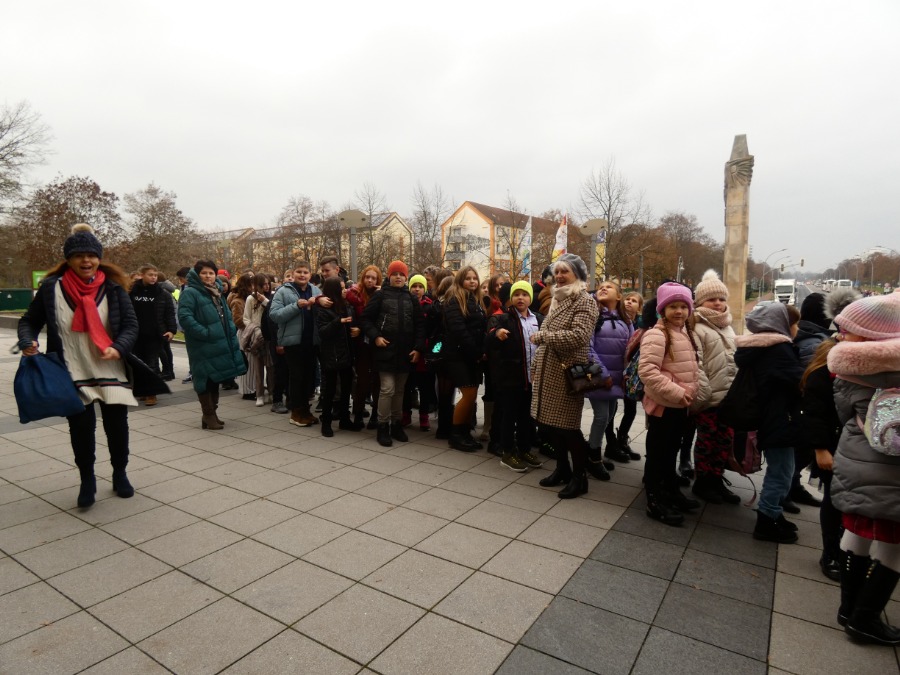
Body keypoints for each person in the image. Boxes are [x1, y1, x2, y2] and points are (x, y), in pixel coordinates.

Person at [18, 224, 167, 507]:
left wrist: (118, 347)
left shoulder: (112, 288)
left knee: (117, 426)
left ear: (99, 258)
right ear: (69, 259)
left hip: (110, 369)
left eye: (91, 255)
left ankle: (120, 473)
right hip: (72, 370)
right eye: (79, 256)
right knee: (81, 429)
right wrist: (28, 340)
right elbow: (29, 321)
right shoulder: (52, 288)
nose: (86, 261)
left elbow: (130, 325)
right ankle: (87, 479)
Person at [828, 290, 900, 646]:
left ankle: (849, 608)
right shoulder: (888, 371)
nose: (841, 336)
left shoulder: (847, 368)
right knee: (893, 545)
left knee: (857, 534)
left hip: (856, 462)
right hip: (889, 472)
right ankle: (864, 618)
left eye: (847, 330)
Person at [733, 303, 805, 542]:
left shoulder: (762, 348)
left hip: (771, 416)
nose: (797, 329)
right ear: (782, 325)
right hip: (779, 418)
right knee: (782, 471)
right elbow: (797, 383)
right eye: (794, 324)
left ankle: (773, 512)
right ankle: (767, 519)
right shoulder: (779, 350)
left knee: (784, 468)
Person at [531, 253, 600, 499]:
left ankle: (579, 479)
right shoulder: (557, 299)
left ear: (577, 275)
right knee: (552, 427)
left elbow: (579, 336)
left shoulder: (585, 300)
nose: (559, 276)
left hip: (568, 374)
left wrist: (542, 337)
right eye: (557, 272)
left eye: (565, 272)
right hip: (549, 372)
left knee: (569, 429)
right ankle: (562, 469)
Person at [639, 282, 700, 525]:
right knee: (657, 454)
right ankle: (654, 499)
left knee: (671, 451)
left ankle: (670, 490)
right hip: (664, 406)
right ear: (662, 309)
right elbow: (648, 371)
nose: (679, 311)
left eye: (684, 306)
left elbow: (692, 368)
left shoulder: (686, 332)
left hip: (679, 406)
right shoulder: (657, 334)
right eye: (673, 306)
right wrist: (677, 392)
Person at [688, 270, 739, 504]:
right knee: (707, 442)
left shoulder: (728, 326)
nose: (718, 303)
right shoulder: (696, 325)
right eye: (712, 299)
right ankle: (703, 482)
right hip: (709, 399)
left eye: (721, 299)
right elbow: (696, 363)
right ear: (699, 302)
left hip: (729, 399)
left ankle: (717, 480)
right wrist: (705, 394)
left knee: (724, 442)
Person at [361, 260, 425, 446]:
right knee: (387, 388)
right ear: (389, 276)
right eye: (395, 273)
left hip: (405, 352)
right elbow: (366, 319)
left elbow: (420, 325)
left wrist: (418, 348)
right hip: (385, 350)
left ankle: (396, 424)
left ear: (406, 277)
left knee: (399, 391)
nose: (398, 277)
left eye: (402, 274)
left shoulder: (411, 298)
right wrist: (375, 337)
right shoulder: (380, 296)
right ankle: (383, 425)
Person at [178, 260, 247, 430]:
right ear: (197, 274)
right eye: (204, 273)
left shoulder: (216, 291)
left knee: (216, 377)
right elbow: (185, 318)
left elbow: (226, 315)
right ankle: (208, 414)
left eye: (211, 273)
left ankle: (211, 414)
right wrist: (205, 333)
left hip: (218, 343)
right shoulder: (191, 292)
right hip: (202, 344)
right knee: (205, 379)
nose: (208, 276)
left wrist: (229, 330)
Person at [486, 281, 544, 472]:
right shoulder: (503, 319)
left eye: (525, 294)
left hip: (531, 378)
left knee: (527, 417)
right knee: (509, 416)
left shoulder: (539, 319)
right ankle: (507, 452)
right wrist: (497, 335)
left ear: (530, 298)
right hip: (510, 378)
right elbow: (487, 340)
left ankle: (524, 449)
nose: (521, 297)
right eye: (516, 294)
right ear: (511, 298)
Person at [269, 260, 322, 427]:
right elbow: (275, 315)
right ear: (293, 273)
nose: (302, 275)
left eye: (305, 272)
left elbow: (324, 313)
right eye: (299, 272)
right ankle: (296, 413)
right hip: (293, 343)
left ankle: (306, 411)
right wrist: (296, 306)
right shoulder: (283, 292)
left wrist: (317, 305)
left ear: (310, 274)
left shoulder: (315, 290)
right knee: (297, 378)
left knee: (309, 378)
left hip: (312, 342)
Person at [586, 281, 631, 471]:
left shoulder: (625, 321)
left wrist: (628, 373)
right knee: (602, 417)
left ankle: (595, 450)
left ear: (619, 296)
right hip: (600, 377)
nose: (603, 288)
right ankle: (593, 457)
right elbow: (587, 347)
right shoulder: (592, 317)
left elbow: (631, 349)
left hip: (618, 379)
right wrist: (603, 374)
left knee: (610, 415)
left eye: (609, 287)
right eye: (600, 287)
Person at [442, 266, 488, 452]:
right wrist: (476, 352)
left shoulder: (475, 300)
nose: (472, 281)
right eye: (468, 278)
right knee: (468, 395)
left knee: (471, 396)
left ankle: (464, 432)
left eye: (474, 278)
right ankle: (455, 435)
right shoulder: (454, 299)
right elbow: (459, 330)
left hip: (471, 355)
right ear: (460, 280)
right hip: (458, 355)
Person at [315, 277, 363, 437]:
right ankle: (326, 421)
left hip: (347, 354)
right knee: (329, 389)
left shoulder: (346, 306)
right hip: (332, 354)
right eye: (341, 288)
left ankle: (344, 418)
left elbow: (352, 325)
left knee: (346, 388)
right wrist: (338, 322)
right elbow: (323, 332)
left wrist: (356, 330)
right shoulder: (324, 309)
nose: (345, 291)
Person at [129, 264, 176, 407]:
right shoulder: (131, 292)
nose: (153, 277)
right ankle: (143, 390)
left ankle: (151, 393)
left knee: (152, 363)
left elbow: (169, 313)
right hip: (135, 334)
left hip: (155, 334)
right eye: (150, 275)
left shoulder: (162, 293)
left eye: (155, 275)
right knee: (138, 363)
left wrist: (171, 330)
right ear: (142, 275)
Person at [609, 291, 644, 460]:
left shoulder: (642, 324)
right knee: (611, 407)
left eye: (634, 301)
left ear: (640, 307)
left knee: (630, 408)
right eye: (627, 299)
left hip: (631, 373)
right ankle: (611, 443)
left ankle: (622, 439)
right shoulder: (617, 319)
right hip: (616, 368)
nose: (629, 302)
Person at [347, 265, 382, 428]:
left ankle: (375, 415)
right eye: (367, 277)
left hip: (377, 344)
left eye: (373, 278)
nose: (370, 280)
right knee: (362, 381)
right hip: (361, 345)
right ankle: (358, 414)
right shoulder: (354, 295)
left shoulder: (382, 295)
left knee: (378, 382)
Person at [403, 274, 435, 431]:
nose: (417, 289)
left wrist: (434, 350)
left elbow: (435, 331)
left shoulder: (430, 306)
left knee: (425, 388)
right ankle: (405, 415)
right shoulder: (405, 304)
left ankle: (424, 417)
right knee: (407, 386)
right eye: (414, 286)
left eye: (420, 286)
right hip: (408, 351)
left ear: (425, 288)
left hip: (426, 354)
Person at [244, 273, 273, 407]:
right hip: (257, 336)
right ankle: (259, 394)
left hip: (270, 336)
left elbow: (274, 311)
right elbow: (246, 318)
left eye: (268, 283)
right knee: (258, 367)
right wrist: (255, 329)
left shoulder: (272, 295)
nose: (266, 286)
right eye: (263, 284)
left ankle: (272, 393)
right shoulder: (250, 299)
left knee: (271, 367)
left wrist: (265, 301)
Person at [228, 273, 256, 400]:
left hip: (251, 331)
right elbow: (238, 320)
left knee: (253, 363)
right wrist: (253, 323)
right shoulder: (238, 301)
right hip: (245, 333)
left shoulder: (251, 299)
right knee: (247, 363)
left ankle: (253, 387)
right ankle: (247, 390)